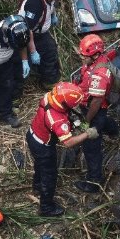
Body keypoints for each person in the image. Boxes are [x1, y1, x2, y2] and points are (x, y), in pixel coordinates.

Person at [26, 82, 99, 216]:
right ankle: (46, 207)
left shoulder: (50, 97)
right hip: (43, 145)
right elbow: (69, 142)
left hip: (33, 134)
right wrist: (87, 134)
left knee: (39, 164)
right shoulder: (57, 120)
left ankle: (37, 185)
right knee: (49, 175)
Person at [13, 0, 73, 100]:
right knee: (21, 66)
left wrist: (52, 16)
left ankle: (49, 82)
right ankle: (14, 99)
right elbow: (27, 29)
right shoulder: (35, 3)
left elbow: (51, 5)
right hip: (26, 35)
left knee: (50, 52)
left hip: (41, 34)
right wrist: (33, 51)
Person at [72, 35, 120, 193]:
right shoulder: (95, 61)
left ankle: (94, 181)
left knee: (91, 146)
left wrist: (87, 120)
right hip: (95, 108)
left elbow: (96, 102)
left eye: (83, 56)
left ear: (94, 55)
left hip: (95, 110)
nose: (81, 58)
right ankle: (114, 130)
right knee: (103, 122)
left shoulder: (100, 74)